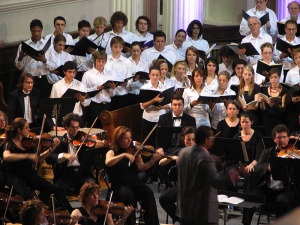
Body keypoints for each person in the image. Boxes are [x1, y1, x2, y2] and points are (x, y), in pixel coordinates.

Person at [3, 117, 73, 212]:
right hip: (15, 176)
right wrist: (27, 156)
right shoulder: (9, 144)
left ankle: (40, 208)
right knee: (27, 196)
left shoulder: (29, 143)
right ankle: (33, 212)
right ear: (19, 130)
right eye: (27, 128)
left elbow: (38, 158)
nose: (29, 130)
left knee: (50, 188)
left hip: (29, 174)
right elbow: (6, 157)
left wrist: (51, 149)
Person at [176, 126, 239, 225]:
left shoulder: (183, 152)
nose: (213, 141)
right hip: (202, 213)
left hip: (184, 210)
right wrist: (234, 173)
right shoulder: (205, 157)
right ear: (206, 140)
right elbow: (216, 182)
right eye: (211, 138)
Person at [242, 124, 300, 225]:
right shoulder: (267, 152)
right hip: (267, 188)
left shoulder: (294, 153)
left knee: (283, 201)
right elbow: (257, 168)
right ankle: (246, 223)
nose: (282, 140)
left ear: (288, 138)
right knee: (250, 197)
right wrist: (268, 167)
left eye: (284, 137)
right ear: (274, 139)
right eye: (279, 137)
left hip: (285, 189)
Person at [105, 126, 164, 225]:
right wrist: (123, 155)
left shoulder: (134, 150)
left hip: (134, 183)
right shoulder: (112, 152)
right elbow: (108, 162)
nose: (129, 141)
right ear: (118, 139)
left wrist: (153, 160)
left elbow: (141, 168)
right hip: (119, 186)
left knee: (148, 193)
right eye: (126, 138)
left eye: (130, 138)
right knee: (128, 195)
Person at [46, 113, 106, 194]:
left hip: (83, 173)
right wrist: (64, 155)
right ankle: (67, 207)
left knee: (92, 187)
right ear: (66, 127)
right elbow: (49, 158)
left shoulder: (84, 140)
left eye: (77, 127)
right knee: (56, 189)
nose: (75, 130)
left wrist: (97, 149)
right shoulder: (59, 141)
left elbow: (94, 162)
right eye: (73, 127)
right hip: (66, 175)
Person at [159, 126, 196, 224]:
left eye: (193, 140)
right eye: (188, 140)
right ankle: (179, 219)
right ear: (183, 139)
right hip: (182, 186)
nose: (191, 142)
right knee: (164, 198)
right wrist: (173, 158)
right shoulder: (180, 151)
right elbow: (161, 163)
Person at [14, 19, 49, 98]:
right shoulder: (23, 46)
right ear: (30, 31)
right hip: (28, 79)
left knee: (44, 103)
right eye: (34, 31)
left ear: (41, 30)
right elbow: (19, 68)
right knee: (30, 104)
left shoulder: (46, 44)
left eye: (38, 31)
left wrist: (44, 61)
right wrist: (20, 58)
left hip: (43, 78)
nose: (36, 33)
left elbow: (52, 65)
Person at [50, 61, 89, 129]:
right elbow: (53, 107)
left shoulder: (80, 85)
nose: (72, 74)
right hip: (63, 119)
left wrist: (83, 100)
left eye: (74, 72)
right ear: (64, 72)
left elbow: (87, 103)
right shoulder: (56, 86)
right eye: (70, 72)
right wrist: (54, 124)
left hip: (77, 117)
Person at [81, 51, 116, 127]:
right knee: (94, 128)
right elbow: (83, 91)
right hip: (94, 105)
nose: (101, 63)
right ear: (95, 61)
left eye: (103, 61)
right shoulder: (87, 74)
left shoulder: (110, 74)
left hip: (107, 105)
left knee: (107, 129)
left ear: (105, 62)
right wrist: (95, 88)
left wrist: (112, 88)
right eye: (99, 61)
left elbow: (112, 95)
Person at [104, 36, 133, 110]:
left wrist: (126, 83)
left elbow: (129, 78)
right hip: (107, 94)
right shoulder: (105, 60)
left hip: (122, 94)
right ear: (111, 47)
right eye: (115, 47)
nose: (117, 49)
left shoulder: (127, 62)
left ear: (122, 48)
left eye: (120, 47)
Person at [258, 68, 287, 136]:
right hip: (266, 121)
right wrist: (262, 102)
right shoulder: (264, 90)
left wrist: (276, 104)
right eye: (271, 77)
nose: (273, 79)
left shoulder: (284, 91)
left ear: (279, 78)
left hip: (278, 121)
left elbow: (283, 109)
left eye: (275, 77)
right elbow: (262, 109)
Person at [0, 111, 8, 192]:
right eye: (0, 121)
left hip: (7, 164)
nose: (2, 123)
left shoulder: (9, 134)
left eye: (4, 120)